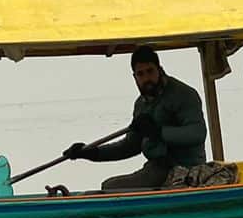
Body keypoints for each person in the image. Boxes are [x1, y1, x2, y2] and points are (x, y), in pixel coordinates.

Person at [64, 46, 207, 191]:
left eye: (150, 71)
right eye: (141, 74)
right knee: (108, 186)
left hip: (186, 171)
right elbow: (129, 147)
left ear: (160, 69)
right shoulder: (141, 105)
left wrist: (158, 132)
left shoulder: (183, 94)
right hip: (155, 169)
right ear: (134, 77)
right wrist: (90, 152)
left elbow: (198, 133)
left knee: (110, 188)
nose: (146, 79)